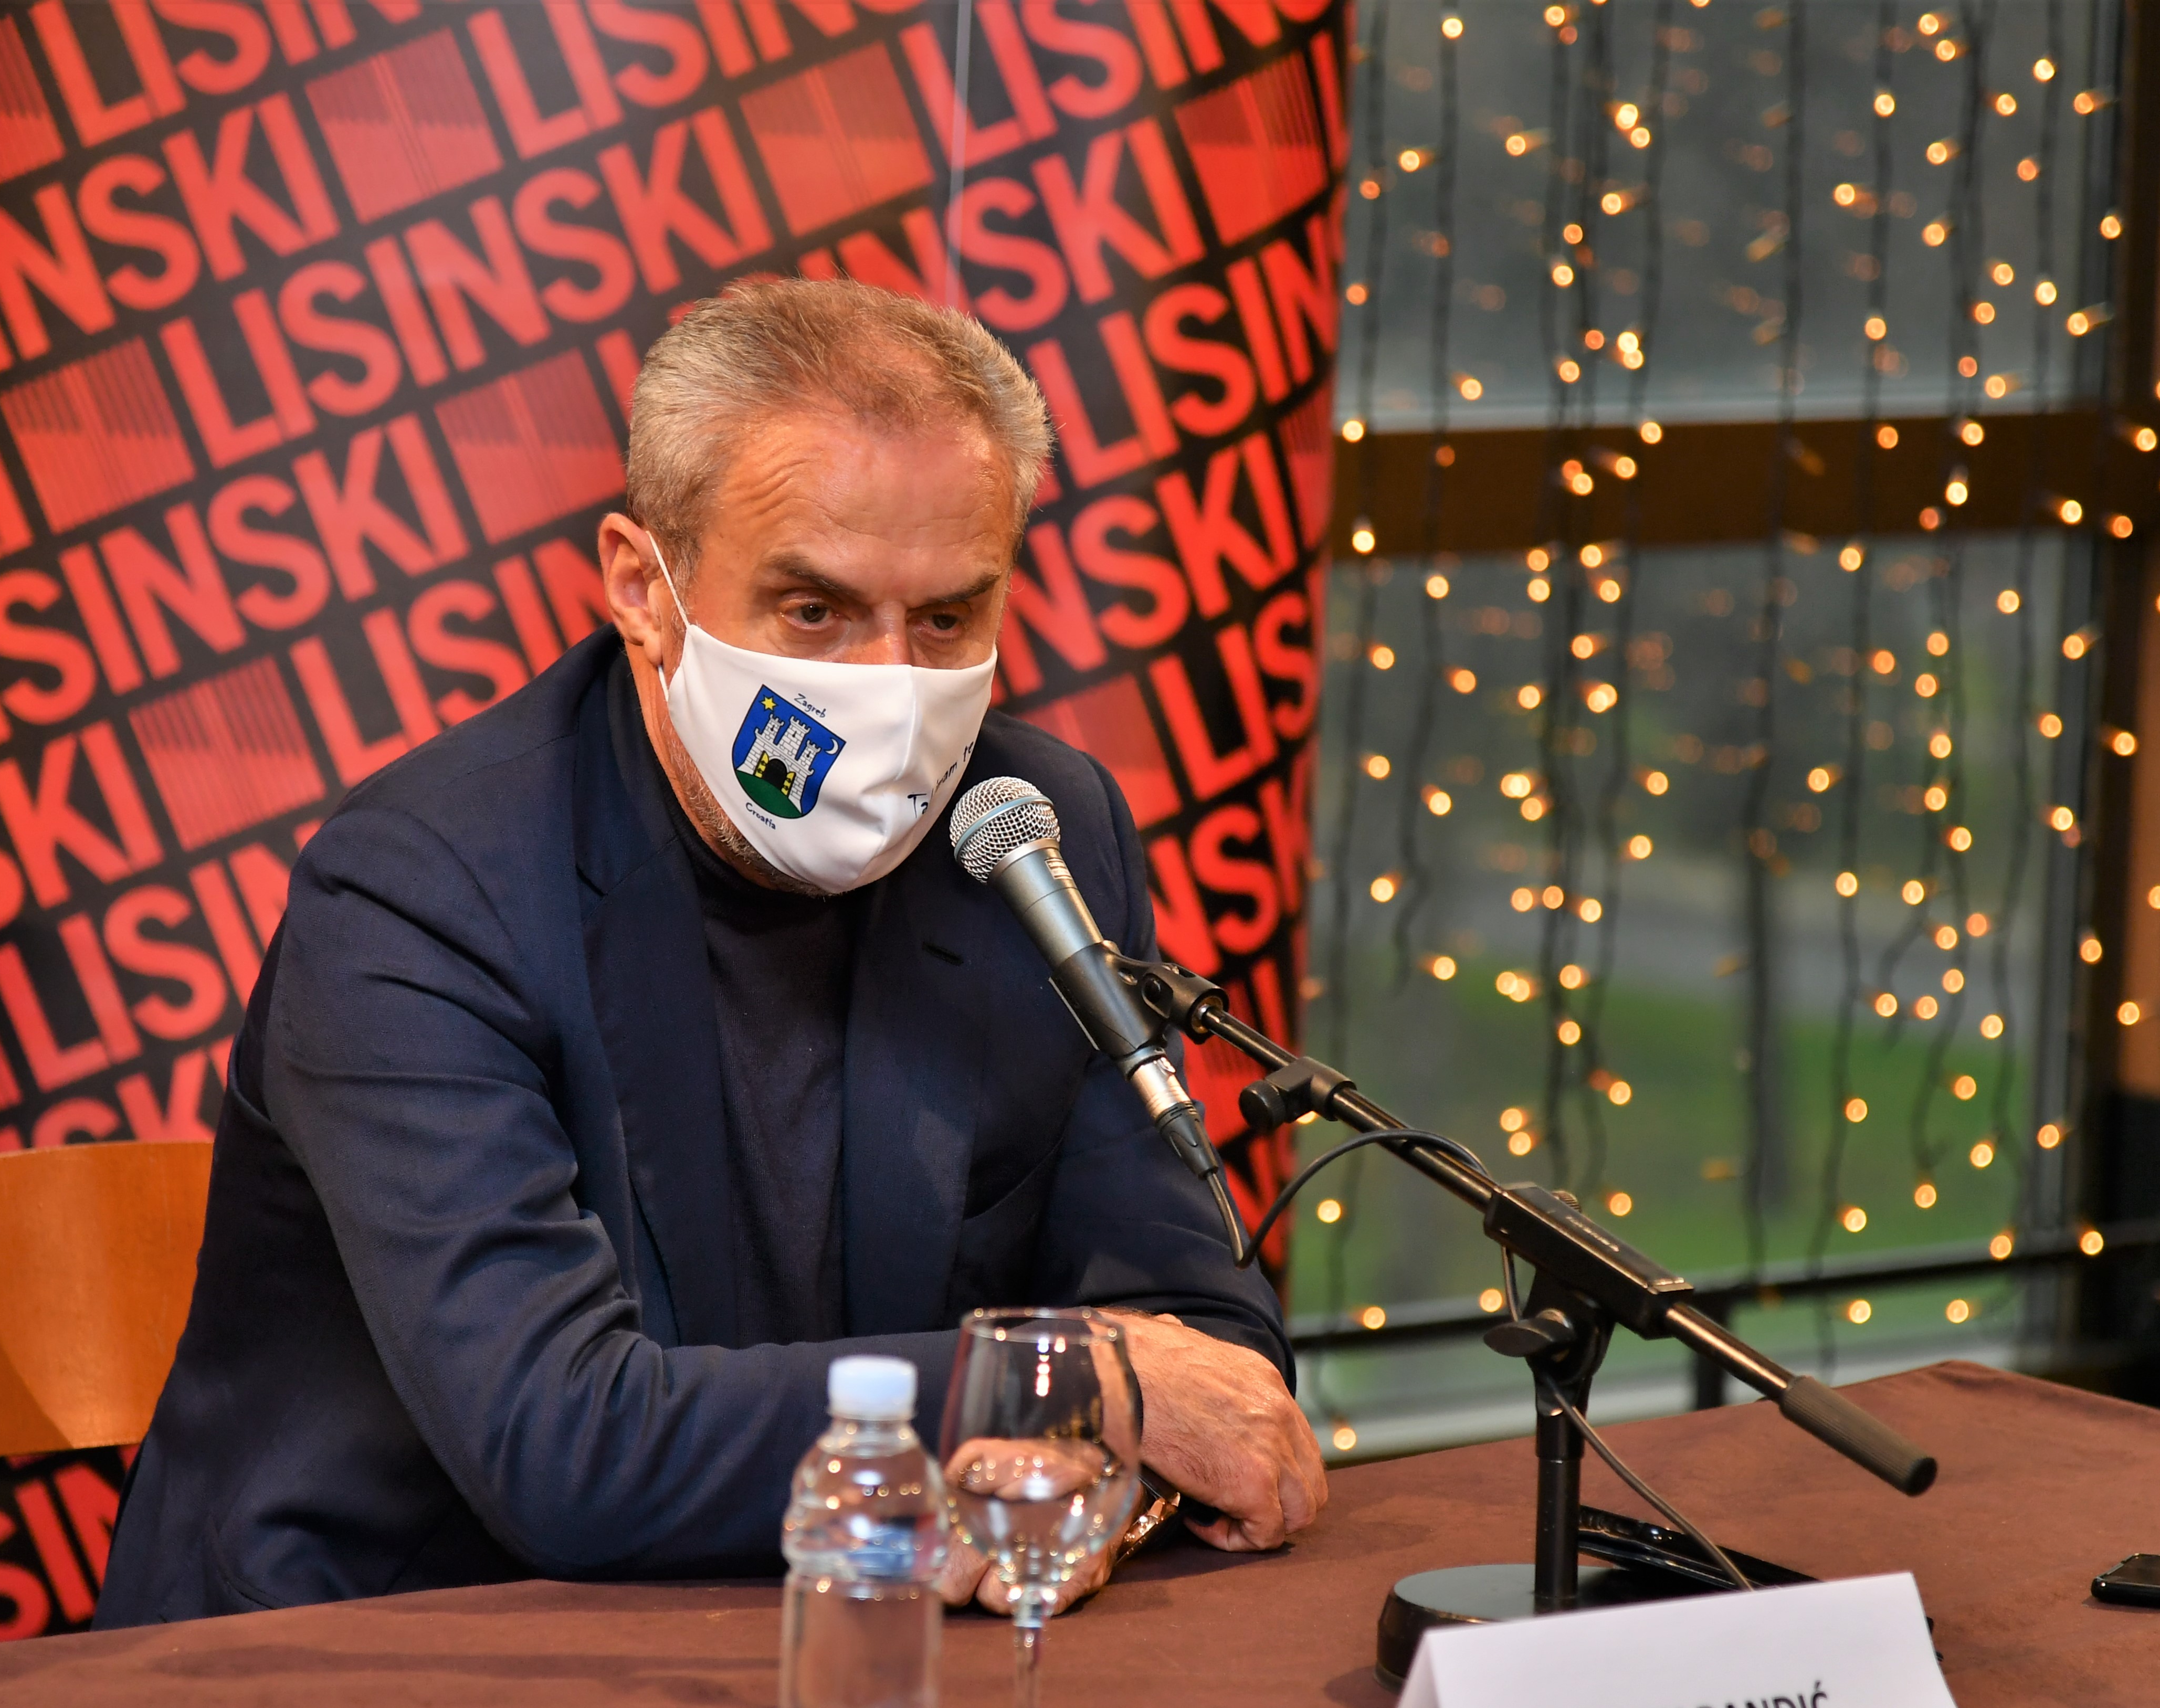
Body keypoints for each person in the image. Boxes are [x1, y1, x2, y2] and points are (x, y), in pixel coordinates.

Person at [96, 279, 1326, 1627]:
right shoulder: (425, 885)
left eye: (946, 619)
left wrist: (1089, 1471)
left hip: (844, 1632)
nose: (892, 684)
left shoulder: (1030, 834)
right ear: (644, 588)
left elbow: (1200, 1341)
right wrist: (1070, 1384)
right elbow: (561, 1439)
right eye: (814, 609)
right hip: (381, 1651)